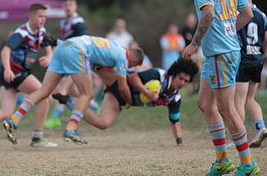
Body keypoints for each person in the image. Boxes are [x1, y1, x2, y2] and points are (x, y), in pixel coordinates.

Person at [182, 0, 259, 175]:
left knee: (226, 108)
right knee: (205, 104)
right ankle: (222, 160)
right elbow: (248, 14)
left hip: (220, 54)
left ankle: (248, 164)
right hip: (220, 52)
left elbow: (208, 13)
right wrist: (230, 30)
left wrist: (194, 44)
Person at [3, 35, 144, 145]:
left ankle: (13, 120)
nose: (130, 68)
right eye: (133, 65)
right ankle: (70, 129)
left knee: (43, 91)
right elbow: (123, 86)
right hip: (77, 50)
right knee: (87, 94)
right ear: (132, 57)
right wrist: (129, 101)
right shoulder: (123, 57)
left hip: (64, 47)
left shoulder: (114, 46)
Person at [0, 3, 57, 147]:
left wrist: (49, 57)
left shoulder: (41, 32)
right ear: (31, 17)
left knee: (5, 112)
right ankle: (37, 137)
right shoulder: (21, 33)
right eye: (40, 16)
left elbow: (48, 48)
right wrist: (8, 69)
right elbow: (5, 51)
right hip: (15, 72)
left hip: (14, 74)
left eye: (45, 16)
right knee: (44, 95)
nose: (43, 19)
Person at [55, 58, 198, 146]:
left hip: (118, 98)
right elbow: (133, 78)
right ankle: (68, 60)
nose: (183, 82)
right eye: (181, 78)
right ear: (174, 73)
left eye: (186, 81)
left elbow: (175, 121)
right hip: (119, 81)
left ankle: (68, 101)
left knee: (103, 124)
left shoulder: (174, 98)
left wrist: (179, 142)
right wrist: (147, 92)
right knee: (95, 66)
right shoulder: (159, 75)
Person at [45, 0, 101, 129]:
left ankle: (55, 117)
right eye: (65, 5)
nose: (68, 8)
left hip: (76, 59)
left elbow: (82, 38)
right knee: (72, 89)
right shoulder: (64, 21)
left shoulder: (78, 22)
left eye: (70, 5)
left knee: (62, 87)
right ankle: (95, 106)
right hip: (68, 58)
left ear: (75, 6)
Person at [234, 0, 267, 148]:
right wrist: (261, 52)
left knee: (238, 100)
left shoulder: (238, 13)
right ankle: (261, 127)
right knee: (250, 98)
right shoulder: (262, 15)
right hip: (258, 60)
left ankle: (239, 139)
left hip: (243, 60)